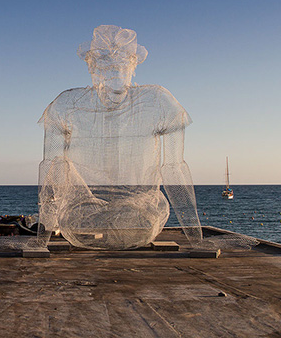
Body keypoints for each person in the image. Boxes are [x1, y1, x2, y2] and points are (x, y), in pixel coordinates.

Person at [37, 25, 203, 250]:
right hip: (76, 223)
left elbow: (175, 168)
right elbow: (51, 170)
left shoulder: (157, 101)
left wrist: (196, 238)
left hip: (142, 220)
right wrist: (40, 239)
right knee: (81, 204)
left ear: (132, 67)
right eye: (105, 67)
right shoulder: (67, 105)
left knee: (138, 216)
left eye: (121, 67)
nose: (114, 74)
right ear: (92, 69)